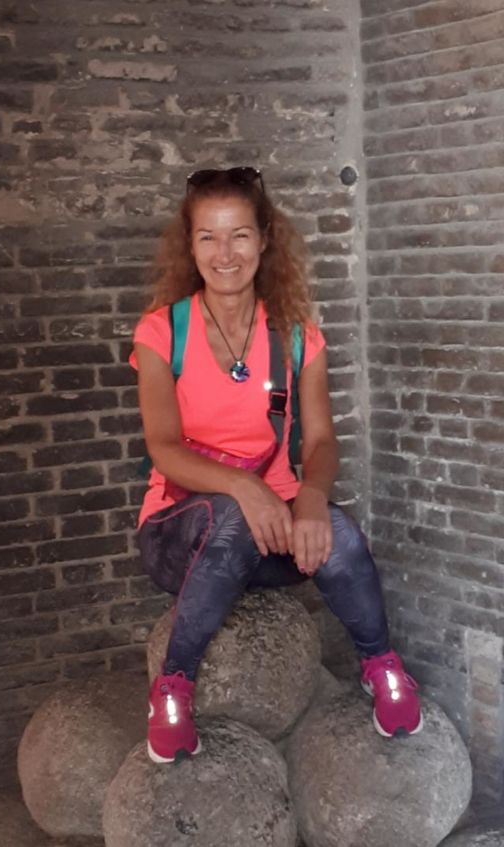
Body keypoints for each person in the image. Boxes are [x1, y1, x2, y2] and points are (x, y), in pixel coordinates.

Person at [130, 166, 422, 764]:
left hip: (272, 538)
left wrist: (310, 497)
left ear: (264, 240)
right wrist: (246, 488)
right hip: (180, 536)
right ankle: (174, 687)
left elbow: (321, 442)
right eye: (208, 237)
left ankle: (381, 665)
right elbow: (163, 446)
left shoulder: (296, 337)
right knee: (232, 519)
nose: (225, 254)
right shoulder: (162, 333)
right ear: (190, 246)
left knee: (340, 532)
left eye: (239, 235)